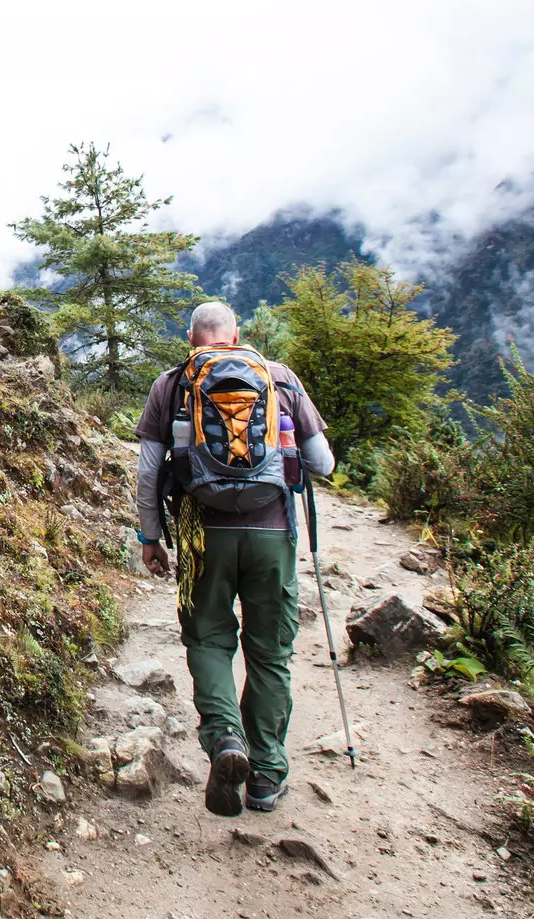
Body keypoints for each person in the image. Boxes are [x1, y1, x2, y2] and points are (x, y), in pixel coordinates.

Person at [135, 301, 335, 816]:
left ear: (192, 337)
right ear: (237, 335)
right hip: (272, 534)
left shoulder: (173, 383)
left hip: (204, 535)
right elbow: (322, 463)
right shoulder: (279, 377)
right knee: (269, 653)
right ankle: (266, 776)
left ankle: (225, 738)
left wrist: (150, 536)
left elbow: (149, 472)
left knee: (208, 636)